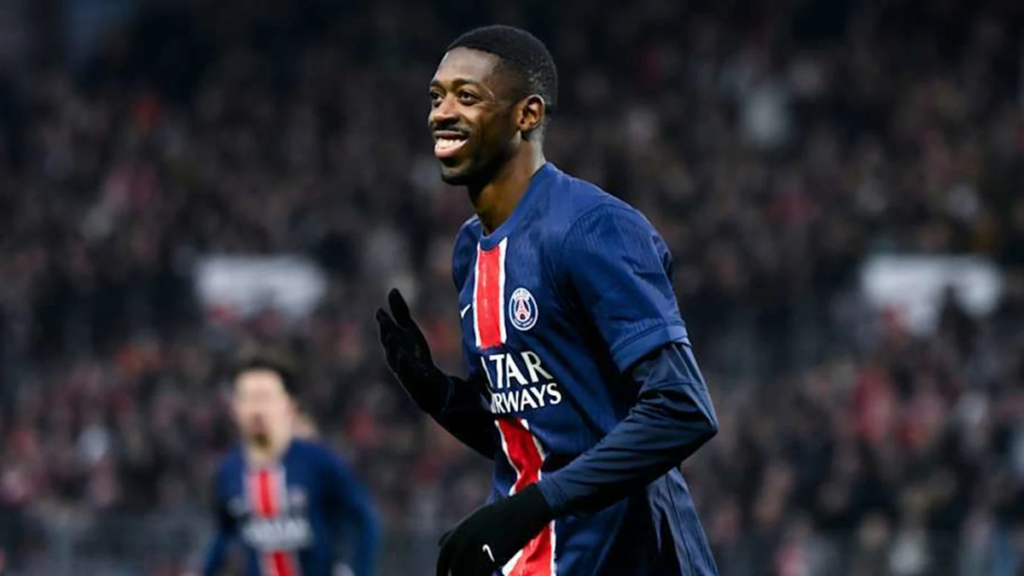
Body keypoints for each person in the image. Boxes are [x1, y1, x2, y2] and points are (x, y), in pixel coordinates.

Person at [376, 24, 720, 576]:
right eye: (436, 96)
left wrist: (529, 507)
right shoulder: (470, 251)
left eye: (468, 97)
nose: (442, 113)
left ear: (527, 115)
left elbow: (682, 411)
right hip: (530, 555)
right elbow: (538, 437)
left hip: (626, 557)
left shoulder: (591, 228)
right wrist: (438, 394)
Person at [202, 350, 380, 576]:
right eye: (247, 398)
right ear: (235, 408)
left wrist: (359, 570)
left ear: (289, 404)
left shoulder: (319, 462)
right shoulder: (228, 471)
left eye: (265, 397)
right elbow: (224, 534)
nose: (256, 409)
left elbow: (364, 520)